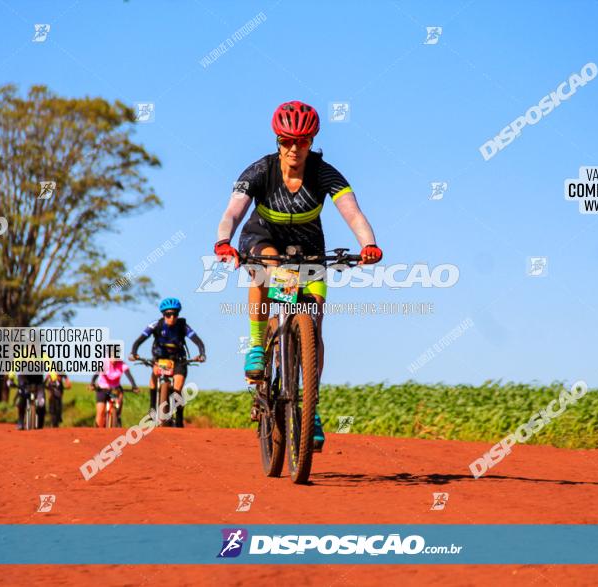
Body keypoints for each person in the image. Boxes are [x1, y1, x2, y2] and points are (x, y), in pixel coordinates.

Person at [213, 100, 382, 450]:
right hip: (264, 236)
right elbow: (232, 211)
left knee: (315, 321)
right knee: (263, 269)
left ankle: (310, 407)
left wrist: (368, 244)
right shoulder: (259, 171)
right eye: (287, 140)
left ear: (312, 140)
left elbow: (353, 213)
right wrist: (223, 241)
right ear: (278, 140)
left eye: (302, 141)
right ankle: (258, 345)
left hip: (308, 245)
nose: (294, 148)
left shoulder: (325, 173)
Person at [128, 297, 206, 427]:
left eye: (175, 314)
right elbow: (139, 340)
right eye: (168, 314)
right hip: (160, 358)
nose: (171, 317)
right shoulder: (156, 325)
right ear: (163, 315)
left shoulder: (183, 326)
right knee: (153, 377)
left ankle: (179, 417)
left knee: (177, 388)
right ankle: (152, 410)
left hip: (179, 360)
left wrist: (202, 354)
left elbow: (198, 341)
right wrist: (134, 352)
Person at [89, 358, 138, 428]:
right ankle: (97, 431)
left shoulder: (122, 364)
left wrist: (134, 386)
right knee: (100, 411)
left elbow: (129, 375)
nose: (113, 359)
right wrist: (92, 383)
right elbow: (96, 374)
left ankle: (117, 416)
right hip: (102, 388)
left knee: (120, 397)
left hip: (115, 388)